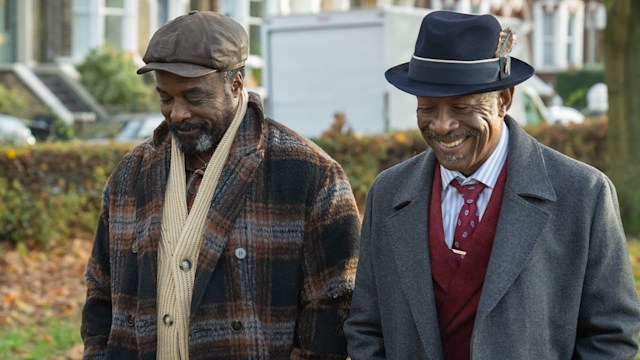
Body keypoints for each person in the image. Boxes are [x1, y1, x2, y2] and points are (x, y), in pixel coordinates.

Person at [344, 10, 640, 359]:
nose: (441, 125)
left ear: (504, 100)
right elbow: (366, 328)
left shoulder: (584, 195)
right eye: (427, 108)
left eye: (460, 107)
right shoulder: (388, 193)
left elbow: (612, 335)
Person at [81, 11, 360, 359]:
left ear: (236, 84)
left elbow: (333, 307)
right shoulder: (129, 176)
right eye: (166, 98)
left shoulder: (310, 175)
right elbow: (100, 294)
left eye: (193, 97)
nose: (177, 113)